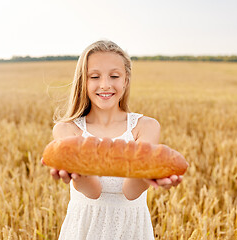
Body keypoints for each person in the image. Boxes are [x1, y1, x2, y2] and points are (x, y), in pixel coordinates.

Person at [43, 40, 183, 239]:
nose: (105, 85)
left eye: (114, 76)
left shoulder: (146, 127)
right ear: (84, 81)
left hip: (131, 230)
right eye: (94, 76)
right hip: (85, 228)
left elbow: (130, 192)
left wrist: (147, 176)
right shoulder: (67, 129)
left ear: (126, 80)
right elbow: (92, 192)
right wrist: (78, 173)